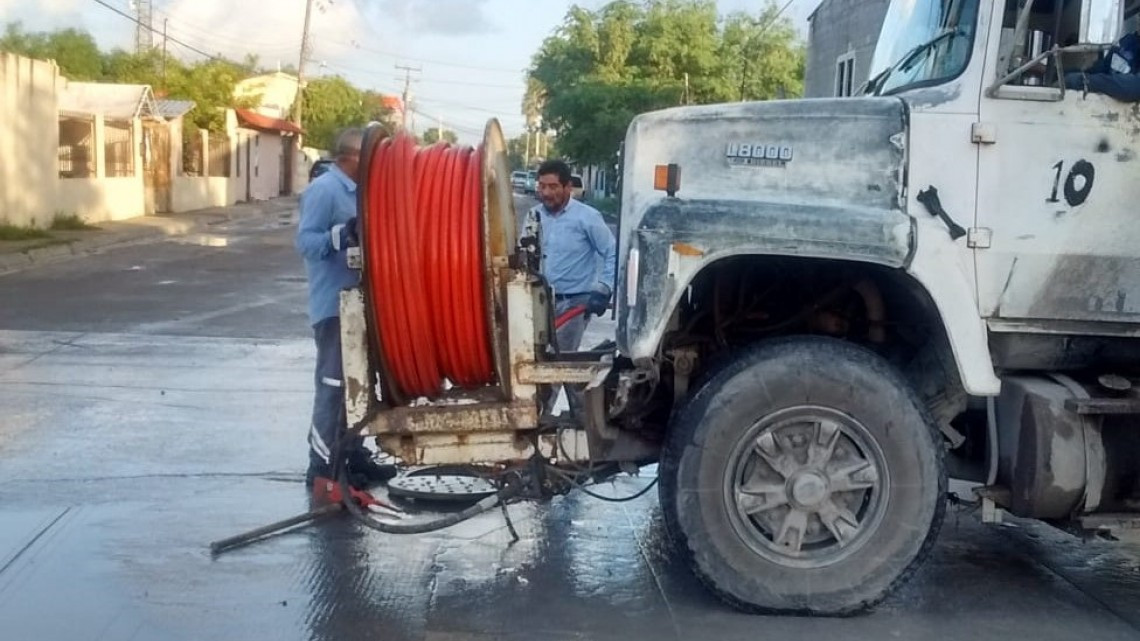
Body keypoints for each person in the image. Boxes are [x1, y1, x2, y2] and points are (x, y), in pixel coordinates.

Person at [296, 127, 395, 489]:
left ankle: (353, 456)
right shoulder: (324, 190)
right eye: (366, 156)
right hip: (334, 307)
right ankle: (321, 466)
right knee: (334, 386)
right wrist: (341, 235)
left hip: (361, 306)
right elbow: (306, 242)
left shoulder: (360, 192)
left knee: (360, 386)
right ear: (347, 158)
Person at [530, 159, 617, 415]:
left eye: (553, 186)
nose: (546, 192)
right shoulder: (534, 216)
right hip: (539, 302)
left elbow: (612, 252)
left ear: (568, 186)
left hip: (574, 304)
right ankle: (580, 417)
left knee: (557, 361)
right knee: (538, 361)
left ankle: (542, 422)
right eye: (542, 186)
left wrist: (603, 288)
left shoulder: (587, 218)